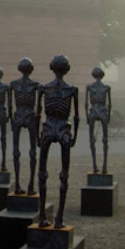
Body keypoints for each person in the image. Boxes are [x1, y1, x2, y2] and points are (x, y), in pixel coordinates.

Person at [36, 55, 80, 228]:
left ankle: (42, 217)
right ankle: (59, 219)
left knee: (42, 172)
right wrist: (75, 136)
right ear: (67, 69)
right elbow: (76, 116)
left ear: (51, 68)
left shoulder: (45, 88)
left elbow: (37, 114)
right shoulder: (72, 90)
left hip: (48, 128)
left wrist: (37, 137)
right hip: (63, 129)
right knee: (64, 174)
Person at [9, 58, 40, 195]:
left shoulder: (14, 84)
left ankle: (17, 185)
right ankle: (30, 186)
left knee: (16, 151)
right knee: (32, 151)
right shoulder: (35, 85)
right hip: (30, 115)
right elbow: (39, 107)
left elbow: (9, 105)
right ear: (31, 69)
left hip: (18, 115)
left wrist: (11, 120)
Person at [85, 66, 112, 175]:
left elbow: (86, 104)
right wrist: (108, 116)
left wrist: (87, 117)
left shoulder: (89, 87)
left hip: (93, 111)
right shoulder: (106, 87)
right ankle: (104, 165)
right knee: (105, 139)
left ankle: (94, 165)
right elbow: (109, 104)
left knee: (92, 139)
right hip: (102, 110)